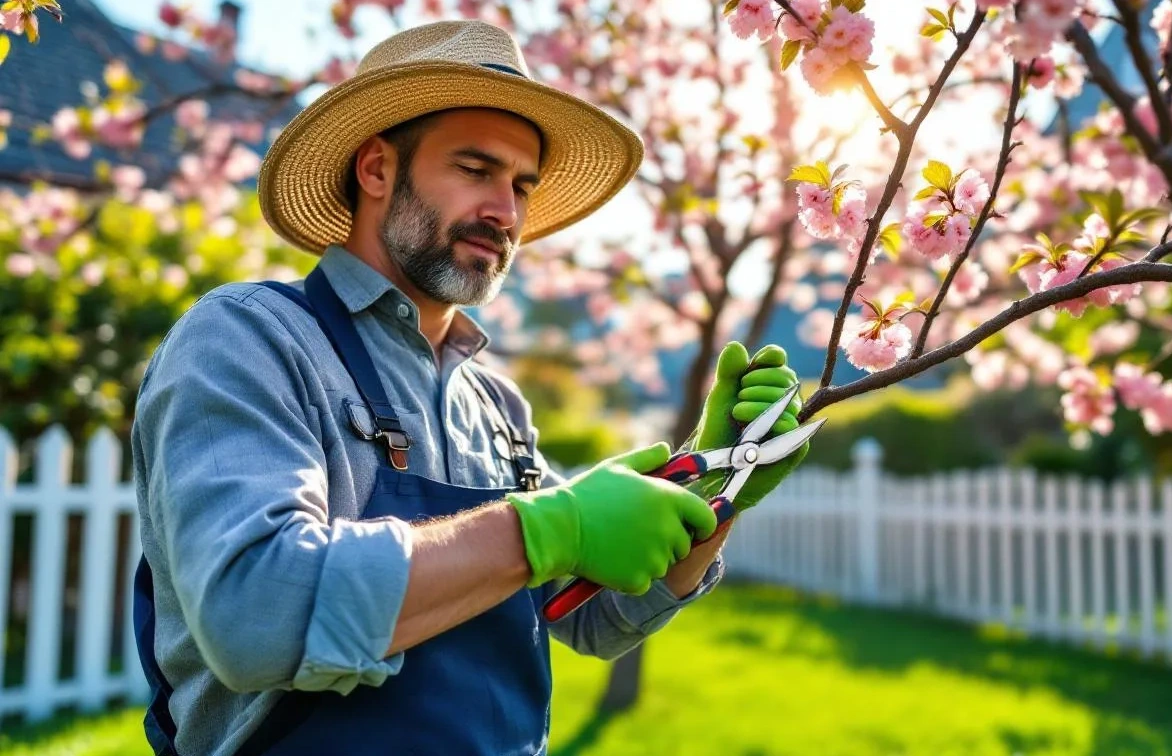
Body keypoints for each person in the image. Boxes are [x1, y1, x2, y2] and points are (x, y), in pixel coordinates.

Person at [130, 18, 809, 756]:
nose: (505, 213)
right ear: (376, 170)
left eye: (521, 185)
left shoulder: (496, 406)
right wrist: (547, 529)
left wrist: (715, 486)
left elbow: (591, 617)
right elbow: (254, 613)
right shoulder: (250, 339)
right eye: (476, 169)